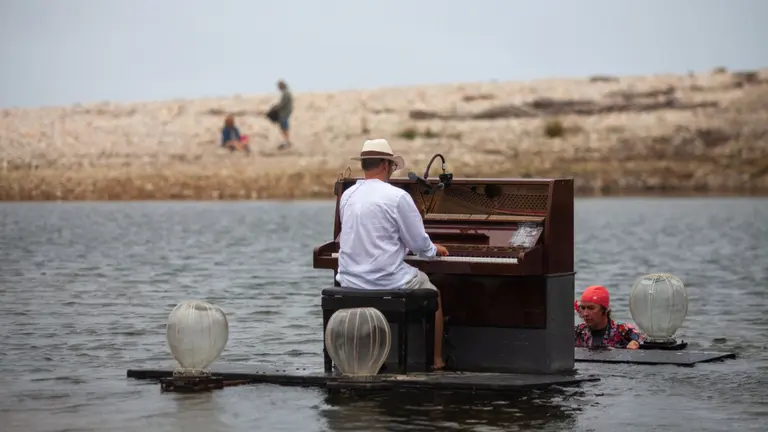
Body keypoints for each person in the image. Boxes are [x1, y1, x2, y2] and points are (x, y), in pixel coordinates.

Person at [336, 138, 449, 371]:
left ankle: (368, 358)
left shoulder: (347, 195)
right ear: (386, 165)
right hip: (385, 279)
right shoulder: (397, 197)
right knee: (434, 294)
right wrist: (433, 249)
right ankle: (437, 361)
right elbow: (420, 245)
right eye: (393, 167)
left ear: (364, 164)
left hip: (350, 280)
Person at [574, 285, 644, 349]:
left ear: (605, 310)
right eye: (583, 308)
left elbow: (643, 340)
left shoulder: (622, 331)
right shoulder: (577, 332)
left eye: (591, 308)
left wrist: (635, 344)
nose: (585, 313)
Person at [274, 80, 292, 150]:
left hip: (284, 113)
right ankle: (286, 141)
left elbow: (283, 104)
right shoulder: (287, 93)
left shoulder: (285, 94)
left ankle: (286, 142)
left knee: (284, 128)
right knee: (284, 128)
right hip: (285, 113)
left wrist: (276, 107)